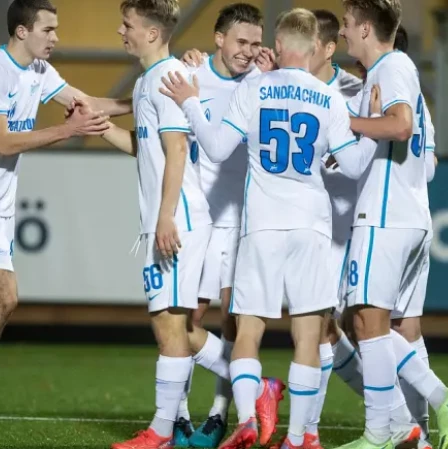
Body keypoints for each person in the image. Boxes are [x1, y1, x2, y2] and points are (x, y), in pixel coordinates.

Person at [160, 8, 379, 449]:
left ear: (278, 46)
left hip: (261, 224)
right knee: (308, 335)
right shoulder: (329, 98)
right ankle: (297, 439)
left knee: (248, 330)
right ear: (315, 47)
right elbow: (355, 165)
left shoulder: (255, 88)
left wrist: (190, 102)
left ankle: (246, 419)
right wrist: (372, 127)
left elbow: (216, 149)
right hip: (311, 225)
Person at [0, 0, 130, 443]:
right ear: (22, 31)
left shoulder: (39, 70)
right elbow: (2, 143)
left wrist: (144, 98)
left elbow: (86, 103)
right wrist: (68, 130)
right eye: (48, 29)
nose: (56, 38)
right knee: (5, 299)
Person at [96, 2, 237, 448]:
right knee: (177, 328)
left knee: (170, 327)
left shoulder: (167, 77)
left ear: (153, 33)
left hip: (179, 219)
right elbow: (148, 148)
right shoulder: (147, 80)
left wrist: (164, 216)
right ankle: (255, 385)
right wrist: (97, 128)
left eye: (128, 24)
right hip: (174, 218)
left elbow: (177, 150)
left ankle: (160, 431)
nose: (121, 31)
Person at [332, 2, 448, 449]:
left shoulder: (390, 68)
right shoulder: (398, 75)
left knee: (365, 322)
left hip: (385, 215)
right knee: (398, 329)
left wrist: (350, 123)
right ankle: (420, 433)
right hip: (411, 215)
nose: (343, 33)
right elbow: (425, 161)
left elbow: (400, 126)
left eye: (347, 24)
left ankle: (384, 429)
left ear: (365, 28)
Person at [174, 5, 287, 448]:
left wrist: (275, 77)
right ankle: (188, 412)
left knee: (233, 321)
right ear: (218, 38)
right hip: (199, 218)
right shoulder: (193, 75)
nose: (249, 51)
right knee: (185, 320)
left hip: (243, 221)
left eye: (256, 43)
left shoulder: (263, 82)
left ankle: (219, 416)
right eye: (241, 41)